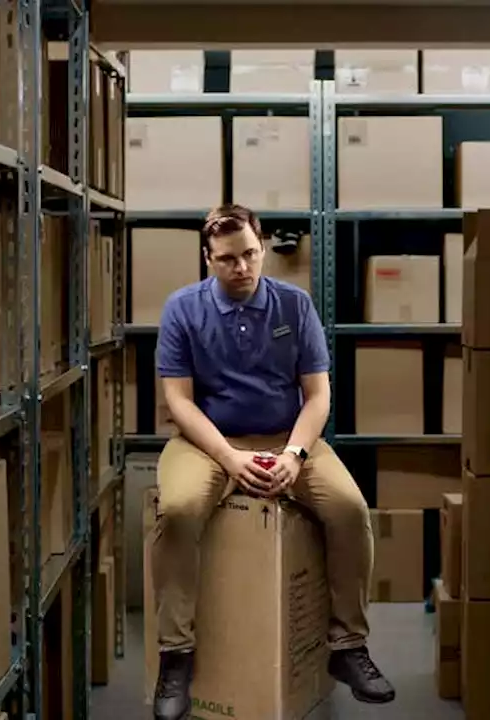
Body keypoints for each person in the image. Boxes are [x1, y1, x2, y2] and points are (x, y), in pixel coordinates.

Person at [150, 204, 395, 719]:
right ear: (207, 258)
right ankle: (176, 657)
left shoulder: (295, 306)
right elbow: (179, 402)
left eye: (250, 254)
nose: (241, 268)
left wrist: (294, 454)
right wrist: (228, 457)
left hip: (288, 436)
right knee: (177, 511)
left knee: (351, 509)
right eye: (227, 259)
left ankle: (348, 647)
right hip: (207, 442)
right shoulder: (182, 309)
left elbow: (318, 396)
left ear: (261, 248)